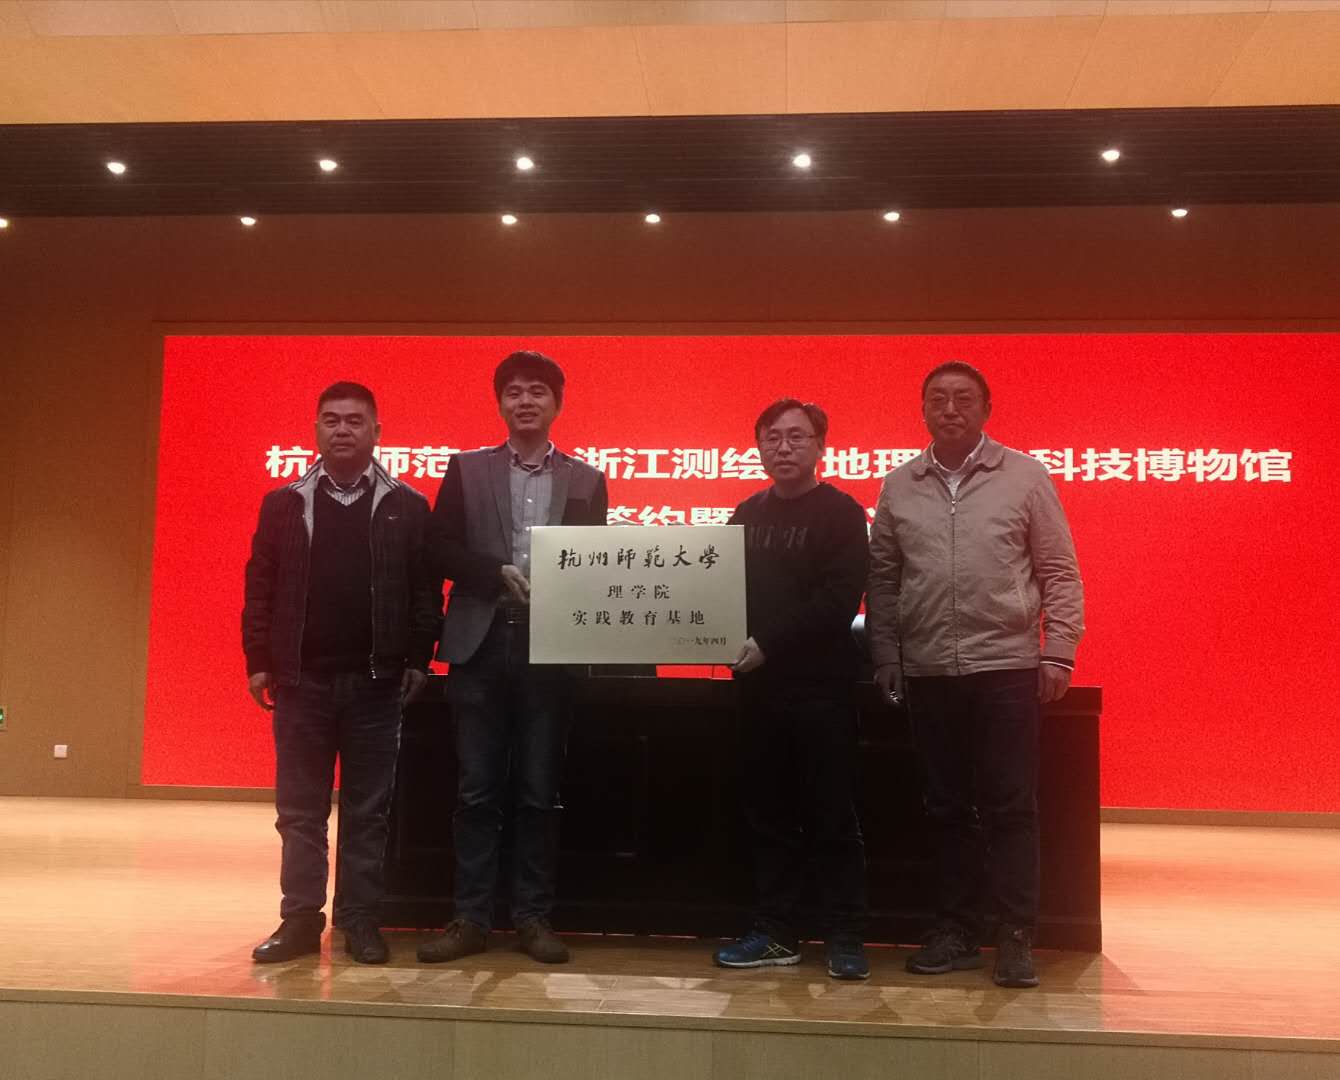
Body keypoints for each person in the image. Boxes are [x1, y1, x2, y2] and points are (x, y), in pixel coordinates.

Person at [866, 361, 1084, 988]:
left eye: (964, 398)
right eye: (938, 399)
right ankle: (956, 929)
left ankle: (1015, 936)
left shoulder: (1025, 476)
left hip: (1007, 667)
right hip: (929, 668)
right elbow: (884, 578)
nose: (950, 409)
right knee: (946, 808)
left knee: (1011, 807)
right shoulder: (899, 485)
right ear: (922, 411)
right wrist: (886, 654)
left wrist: (1058, 649)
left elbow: (1059, 570)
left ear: (987, 409)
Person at [417, 350, 608, 966]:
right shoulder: (466, 469)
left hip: (550, 647)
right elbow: (437, 546)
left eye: (537, 392)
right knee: (476, 791)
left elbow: (597, 565)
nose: (525, 401)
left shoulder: (587, 479)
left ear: (557, 403)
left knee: (539, 791)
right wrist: (491, 573)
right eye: (514, 392)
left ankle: (532, 917)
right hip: (480, 641)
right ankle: (470, 919)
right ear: (499, 403)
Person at [243, 381, 442, 965]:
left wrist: (419, 656)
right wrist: (258, 660)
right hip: (301, 683)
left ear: (376, 432)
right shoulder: (283, 503)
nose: (342, 430)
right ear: (315, 431)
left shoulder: (408, 506)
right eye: (331, 420)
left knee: (367, 813)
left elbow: (426, 591)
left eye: (355, 421)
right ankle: (300, 921)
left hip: (377, 685)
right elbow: (260, 587)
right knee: (300, 813)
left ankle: (359, 921)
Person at [713, 399, 871, 981]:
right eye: (772, 437)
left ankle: (845, 934)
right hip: (758, 691)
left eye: (797, 436)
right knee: (768, 814)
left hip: (822, 690)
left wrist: (769, 643)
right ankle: (776, 931)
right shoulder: (746, 513)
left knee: (831, 814)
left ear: (820, 446)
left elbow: (838, 600)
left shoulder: (842, 513)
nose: (783, 447)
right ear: (758, 446)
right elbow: (713, 588)